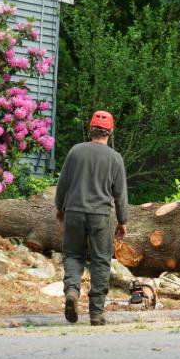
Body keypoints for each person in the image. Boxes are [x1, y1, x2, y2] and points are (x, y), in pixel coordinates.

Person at [55, 110, 128, 326]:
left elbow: (63, 184)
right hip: (101, 216)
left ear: (91, 129)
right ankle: (96, 313)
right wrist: (123, 221)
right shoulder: (115, 158)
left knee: (73, 255)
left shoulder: (75, 152)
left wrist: (60, 207)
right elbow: (120, 193)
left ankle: (72, 291)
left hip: (74, 212)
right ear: (111, 132)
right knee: (100, 260)